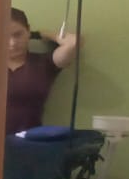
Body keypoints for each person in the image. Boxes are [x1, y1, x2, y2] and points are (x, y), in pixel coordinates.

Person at [6, 7, 80, 135]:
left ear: (28, 31)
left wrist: (41, 34)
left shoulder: (44, 63)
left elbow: (73, 42)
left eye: (18, 34)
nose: (12, 43)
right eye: (4, 36)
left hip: (31, 140)